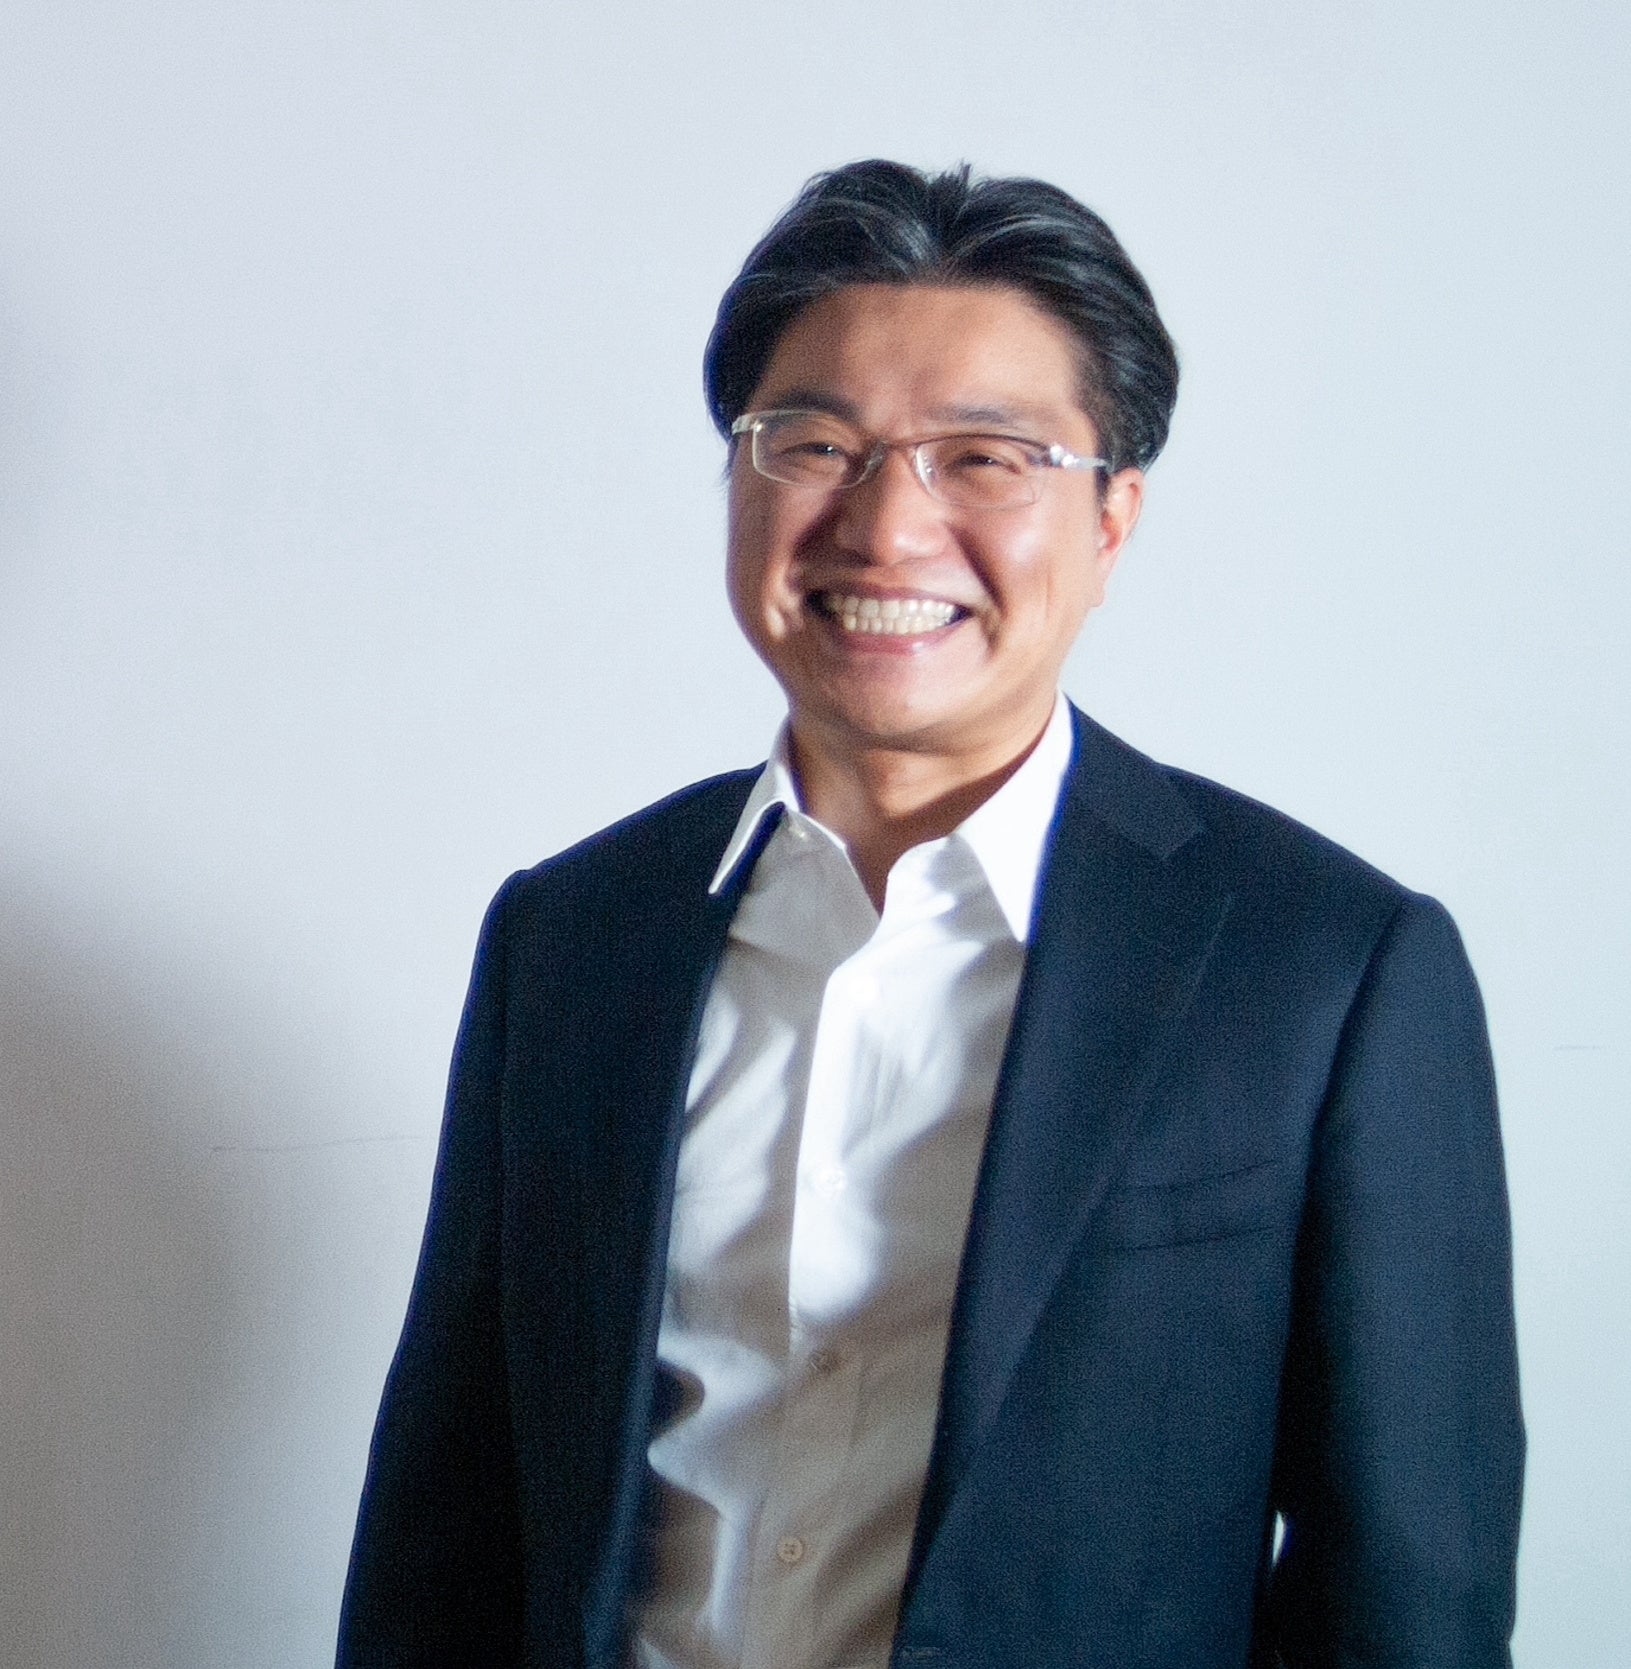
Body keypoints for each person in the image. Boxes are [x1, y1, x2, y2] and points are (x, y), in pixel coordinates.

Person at [336, 160, 1523, 1669]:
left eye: (985, 457)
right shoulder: (574, 938)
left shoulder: (1326, 970)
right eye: (816, 443)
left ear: (1113, 518)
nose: (888, 526)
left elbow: (1411, 1589)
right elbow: (445, 1527)